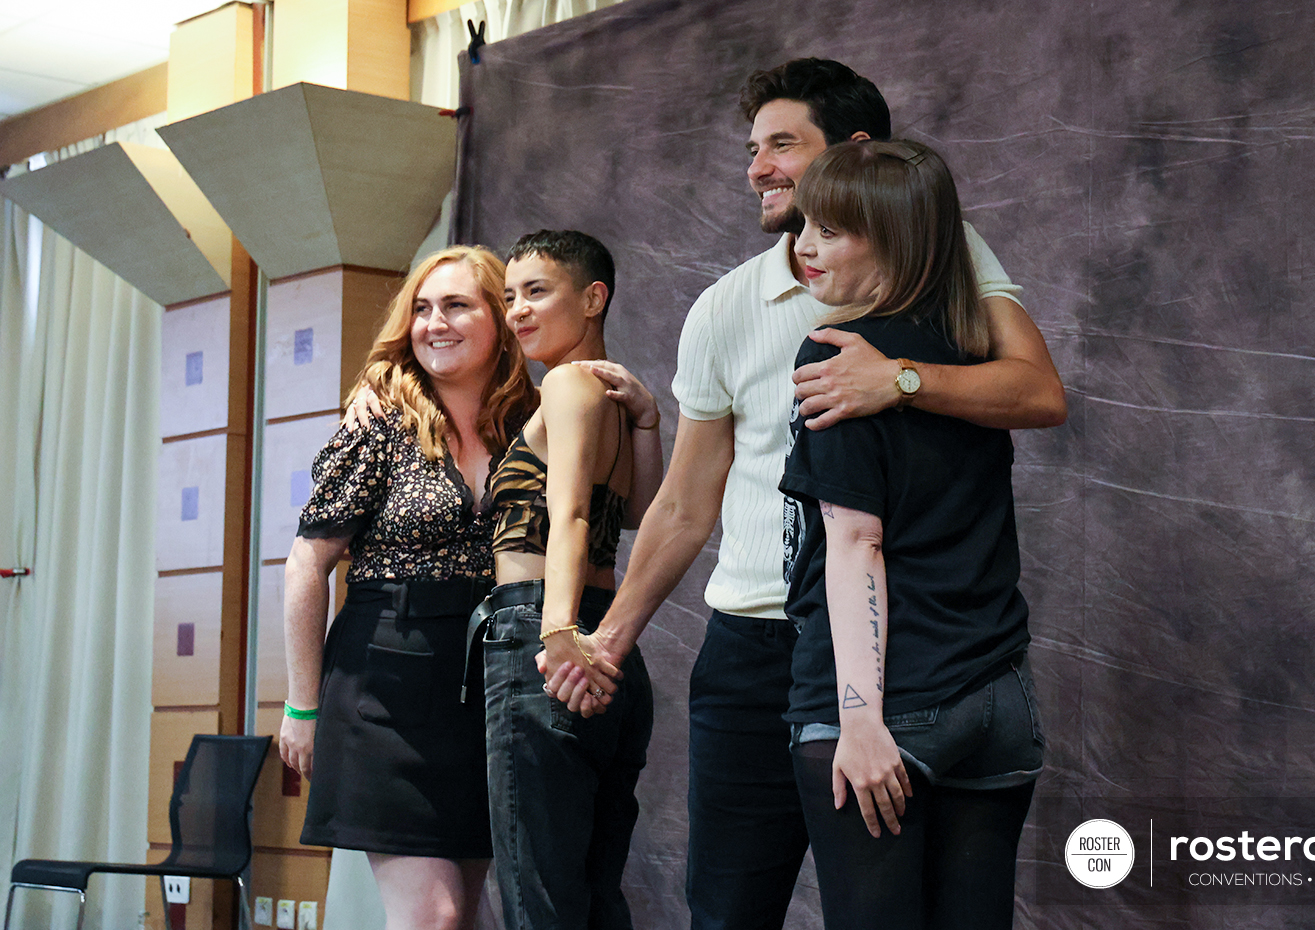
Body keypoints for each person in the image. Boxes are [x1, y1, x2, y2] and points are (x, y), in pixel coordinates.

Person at [542, 58, 1066, 930]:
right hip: (756, 646)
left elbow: (1038, 393)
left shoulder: (945, 255)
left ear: (857, 155)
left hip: (903, 649)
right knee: (730, 908)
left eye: (783, 143)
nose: (757, 167)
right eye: (753, 147)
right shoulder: (723, 307)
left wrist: (894, 378)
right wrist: (609, 641)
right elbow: (683, 501)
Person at [780, 138, 1043, 930]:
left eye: (831, 230)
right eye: (806, 225)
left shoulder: (837, 353)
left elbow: (857, 543)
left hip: (892, 705)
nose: (804, 247)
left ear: (892, 240)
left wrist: (859, 717)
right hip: (998, 698)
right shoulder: (974, 356)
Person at [280, 245, 536, 930]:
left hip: (487, 686)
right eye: (421, 309)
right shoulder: (378, 424)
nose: (434, 323)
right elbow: (307, 565)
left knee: (471, 913)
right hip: (381, 686)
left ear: (500, 318)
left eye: (456, 305)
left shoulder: (532, 423)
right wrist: (300, 707)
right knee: (435, 915)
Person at [463, 230, 661, 929]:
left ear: (593, 297)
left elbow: (573, 510)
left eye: (536, 292)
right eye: (510, 295)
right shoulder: (607, 391)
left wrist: (554, 628)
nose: (517, 311)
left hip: (545, 635)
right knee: (593, 892)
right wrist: (648, 423)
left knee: (538, 895)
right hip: (609, 641)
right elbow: (637, 508)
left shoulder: (572, 383)